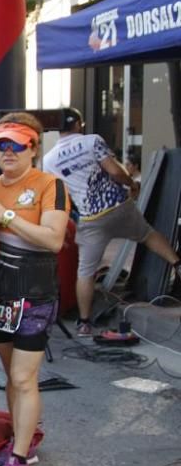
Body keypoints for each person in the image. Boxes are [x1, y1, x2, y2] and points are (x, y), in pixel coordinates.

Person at [0, 112, 70, 466]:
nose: (9, 151)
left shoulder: (50, 184)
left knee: (22, 376)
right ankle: (23, 439)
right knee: (9, 373)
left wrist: (6, 215)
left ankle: (17, 461)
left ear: (34, 147)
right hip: (1, 293)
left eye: (18, 144)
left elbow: (53, 239)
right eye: (2, 144)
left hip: (36, 293)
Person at [41, 107, 181, 336]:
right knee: (147, 234)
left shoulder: (49, 160)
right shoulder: (91, 141)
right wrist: (132, 184)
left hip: (91, 219)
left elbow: (60, 195)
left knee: (85, 272)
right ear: (79, 124)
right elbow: (115, 171)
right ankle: (177, 263)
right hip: (118, 208)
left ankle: (84, 323)